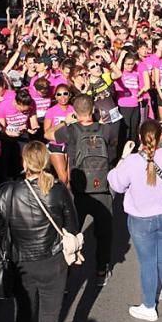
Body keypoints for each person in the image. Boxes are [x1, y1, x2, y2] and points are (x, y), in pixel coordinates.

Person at [0, 142, 78, 322]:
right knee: (49, 319)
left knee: (23, 316)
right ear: (46, 162)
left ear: (24, 162)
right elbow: (72, 226)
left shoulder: (7, 192)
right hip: (52, 262)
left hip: (20, 263)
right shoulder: (57, 191)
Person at [108, 120, 162, 321]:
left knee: (148, 263)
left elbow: (116, 183)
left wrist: (123, 157)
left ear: (139, 137)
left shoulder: (132, 162)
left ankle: (149, 306)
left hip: (141, 219)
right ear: (161, 137)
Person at [54, 94, 114, 286]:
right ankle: (101, 270)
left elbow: (50, 134)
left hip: (78, 191)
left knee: (71, 231)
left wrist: (66, 121)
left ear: (75, 111)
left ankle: (67, 272)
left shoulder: (70, 131)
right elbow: (113, 150)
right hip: (102, 188)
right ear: (94, 110)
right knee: (104, 232)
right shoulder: (106, 129)